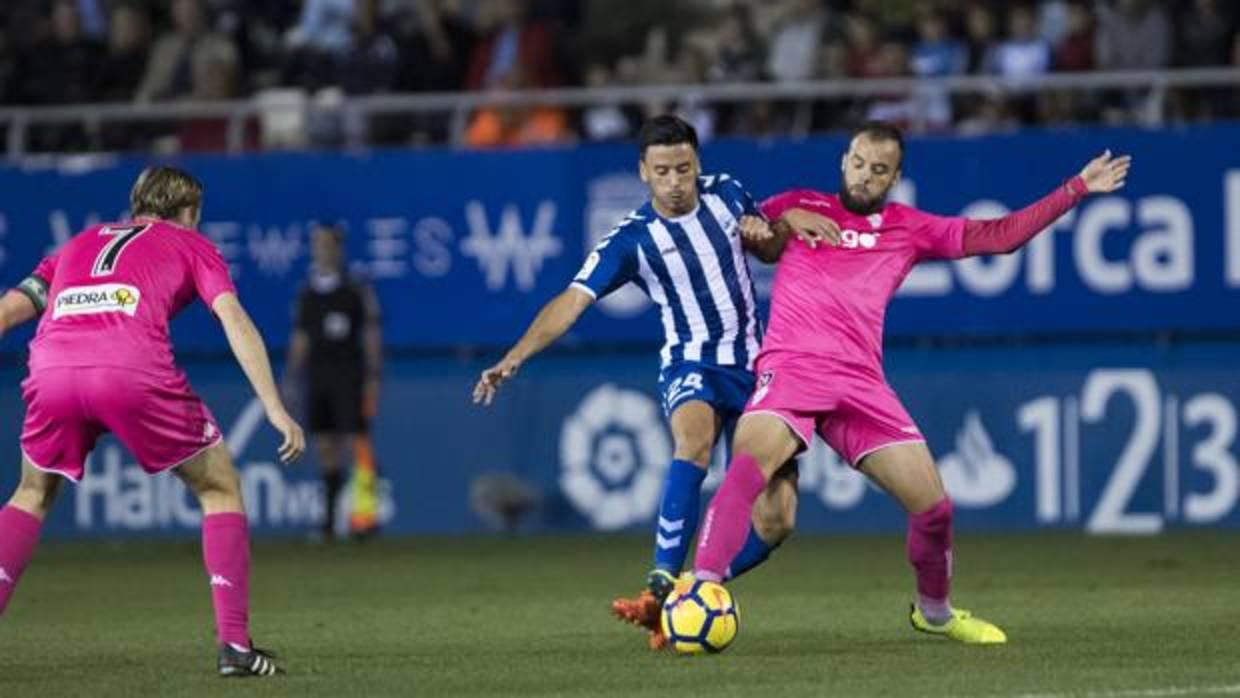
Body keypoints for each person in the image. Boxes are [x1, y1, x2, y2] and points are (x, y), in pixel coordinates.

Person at [688, 121, 1131, 644]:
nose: (865, 175)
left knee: (935, 508)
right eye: (858, 162)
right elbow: (747, 235)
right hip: (792, 367)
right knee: (747, 470)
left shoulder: (908, 227)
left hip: (860, 382)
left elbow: (1001, 236)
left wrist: (1075, 188)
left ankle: (934, 611)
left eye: (879, 169)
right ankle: (699, 586)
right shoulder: (801, 202)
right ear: (843, 160)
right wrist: (778, 222)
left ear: (895, 177)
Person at [472, 115, 827, 649]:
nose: (675, 181)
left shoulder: (729, 194)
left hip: (759, 366)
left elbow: (772, 251)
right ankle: (660, 584)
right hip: (691, 364)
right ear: (643, 172)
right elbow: (572, 301)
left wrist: (768, 233)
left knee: (777, 519)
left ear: (698, 164)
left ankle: (693, 593)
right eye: (662, 171)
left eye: (683, 168)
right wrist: (515, 356)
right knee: (694, 439)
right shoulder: (632, 240)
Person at [0, 166, 306, 676]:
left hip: (52, 371)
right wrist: (274, 406)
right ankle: (234, 646)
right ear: (188, 212)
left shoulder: (78, 243)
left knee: (30, 493)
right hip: (128, 370)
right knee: (219, 487)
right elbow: (232, 317)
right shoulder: (192, 244)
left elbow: (11, 309)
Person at [284, 225, 384, 540]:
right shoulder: (308, 294)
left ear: (339, 248)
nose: (321, 250)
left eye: (327, 244)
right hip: (319, 375)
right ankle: (328, 522)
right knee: (326, 445)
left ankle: (365, 518)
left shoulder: (355, 290)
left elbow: (371, 333)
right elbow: (300, 337)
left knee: (357, 441)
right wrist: (290, 377)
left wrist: (373, 374)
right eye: (317, 244)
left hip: (349, 375)